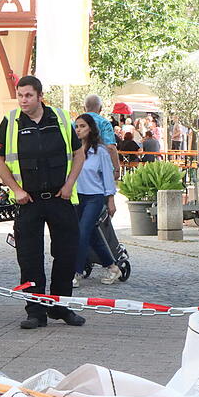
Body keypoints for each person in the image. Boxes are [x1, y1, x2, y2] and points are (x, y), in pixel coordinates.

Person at [0, 75, 86, 329]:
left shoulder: (61, 118)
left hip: (60, 198)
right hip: (28, 201)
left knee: (66, 254)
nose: (23, 100)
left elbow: (79, 154)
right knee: (30, 258)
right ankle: (35, 311)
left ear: (40, 96)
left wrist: (69, 185)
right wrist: (16, 189)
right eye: (20, 95)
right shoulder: (10, 122)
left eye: (28, 95)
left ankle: (60, 306)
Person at [71, 114, 121, 287]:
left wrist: (111, 200)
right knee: (92, 235)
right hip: (78, 197)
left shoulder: (100, 152)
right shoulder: (73, 151)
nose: (78, 130)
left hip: (95, 197)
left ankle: (76, 272)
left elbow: (107, 177)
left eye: (82, 126)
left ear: (91, 128)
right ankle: (113, 266)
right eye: (76, 126)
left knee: (82, 232)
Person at [83, 94, 120, 178]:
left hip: (79, 166)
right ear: (100, 108)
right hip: (99, 168)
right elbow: (110, 147)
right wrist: (116, 168)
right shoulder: (104, 123)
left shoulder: (76, 123)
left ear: (84, 108)